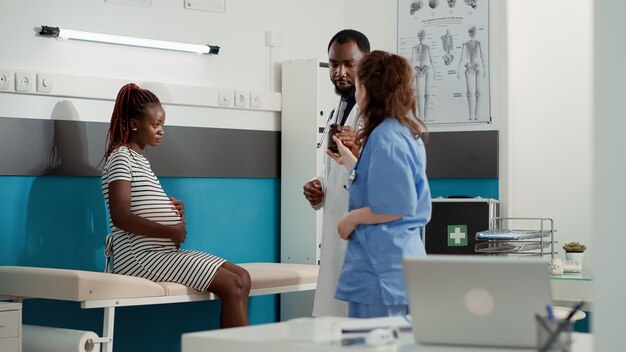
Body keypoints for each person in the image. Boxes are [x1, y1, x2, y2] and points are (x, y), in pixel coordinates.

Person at [101, 83, 250, 328]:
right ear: (135, 123)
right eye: (155, 124)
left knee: (242, 277)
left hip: (162, 254)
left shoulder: (139, 160)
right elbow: (121, 217)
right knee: (232, 284)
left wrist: (171, 208)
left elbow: (139, 202)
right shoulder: (120, 157)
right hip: (140, 258)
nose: (161, 131)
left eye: (162, 124)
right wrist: (171, 230)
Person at [328, 50, 432, 318]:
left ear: (365, 90)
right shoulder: (401, 132)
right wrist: (351, 163)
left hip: (382, 272)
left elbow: (395, 205)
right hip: (394, 267)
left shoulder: (386, 137)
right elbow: (387, 184)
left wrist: (350, 219)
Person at [302, 29, 370, 318]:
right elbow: (335, 169)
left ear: (365, 63)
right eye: (333, 64)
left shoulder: (374, 114)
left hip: (362, 230)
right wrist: (319, 186)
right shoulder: (337, 110)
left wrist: (357, 149)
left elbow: (381, 174)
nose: (339, 72)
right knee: (333, 321)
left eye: (348, 64)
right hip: (336, 229)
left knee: (359, 324)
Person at [457, 26, 485, 120]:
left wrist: (483, 69)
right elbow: (462, 57)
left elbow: (480, 56)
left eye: (472, 33)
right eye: (470, 33)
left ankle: (476, 114)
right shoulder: (465, 44)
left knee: (476, 92)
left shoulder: (478, 44)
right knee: (469, 92)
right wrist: (458, 70)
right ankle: (470, 114)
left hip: (476, 68)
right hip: (468, 68)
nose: (471, 35)